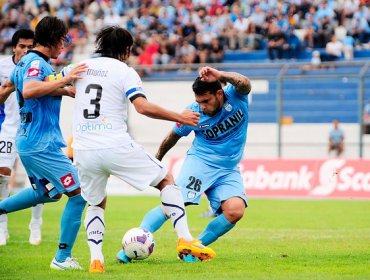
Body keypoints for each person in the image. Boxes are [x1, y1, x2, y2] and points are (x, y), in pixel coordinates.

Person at [67, 26, 215, 273]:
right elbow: (142, 107)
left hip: (83, 149)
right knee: (167, 181)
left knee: (95, 203)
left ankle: (96, 259)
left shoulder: (80, 67)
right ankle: (186, 238)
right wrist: (179, 116)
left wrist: (66, 87)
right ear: (125, 50)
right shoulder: (125, 71)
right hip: (114, 144)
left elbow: (50, 82)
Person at [116, 66, 251, 263]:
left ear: (219, 93)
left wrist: (221, 75)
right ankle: (133, 244)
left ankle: (193, 250)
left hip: (228, 169)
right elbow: (172, 137)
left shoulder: (237, 97)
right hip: (201, 163)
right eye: (199, 102)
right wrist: (157, 158)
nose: (202, 106)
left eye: (206, 101)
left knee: (235, 210)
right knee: (174, 203)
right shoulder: (193, 113)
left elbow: (245, 82)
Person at [0, 16, 88, 270]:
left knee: (47, 193)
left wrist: (62, 90)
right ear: (54, 39)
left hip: (29, 141)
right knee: (79, 195)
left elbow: (19, 87)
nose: (65, 45)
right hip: (41, 144)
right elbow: (29, 90)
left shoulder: (25, 62)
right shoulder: (37, 63)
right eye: (64, 39)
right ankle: (62, 258)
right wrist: (64, 79)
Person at [0, 29, 45, 247]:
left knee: (37, 180)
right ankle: (2, 227)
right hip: (8, 129)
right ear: (14, 47)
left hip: (33, 130)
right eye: (22, 46)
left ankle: (35, 223)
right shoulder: (2, 67)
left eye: (30, 46)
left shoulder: (39, 65)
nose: (26, 50)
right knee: (2, 175)